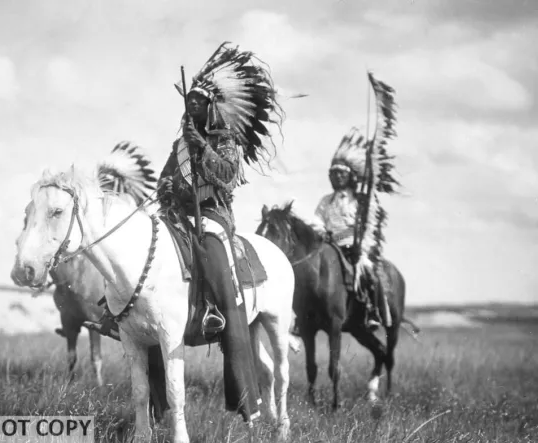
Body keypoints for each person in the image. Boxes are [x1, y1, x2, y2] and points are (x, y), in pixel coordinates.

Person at [157, 42, 284, 423]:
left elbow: (227, 177)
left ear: (210, 107)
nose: (191, 107)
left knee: (213, 252)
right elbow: (165, 179)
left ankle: (221, 313)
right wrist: (165, 199)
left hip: (213, 214)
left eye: (198, 102)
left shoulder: (222, 140)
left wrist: (204, 150)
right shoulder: (180, 143)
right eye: (188, 102)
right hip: (179, 215)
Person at [313, 128, 383, 331]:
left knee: (368, 272)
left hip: (356, 248)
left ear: (349, 176)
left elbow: (370, 227)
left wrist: (361, 246)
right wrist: (322, 232)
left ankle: (372, 311)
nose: (336, 177)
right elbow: (317, 221)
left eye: (340, 173)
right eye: (333, 173)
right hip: (330, 246)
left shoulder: (361, 201)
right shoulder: (325, 201)